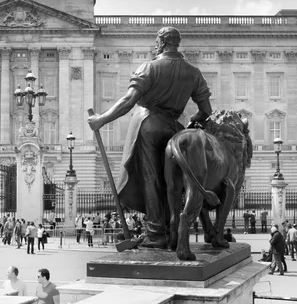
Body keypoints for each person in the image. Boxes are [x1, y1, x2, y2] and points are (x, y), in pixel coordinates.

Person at [87, 26, 212, 248]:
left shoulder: (149, 67)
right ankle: (171, 230)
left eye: (157, 41)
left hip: (149, 124)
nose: (155, 45)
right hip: (175, 128)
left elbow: (128, 101)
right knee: (171, 183)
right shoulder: (194, 73)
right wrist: (192, 122)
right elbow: (206, 111)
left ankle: (156, 234)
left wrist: (101, 119)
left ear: (162, 42)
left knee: (152, 180)